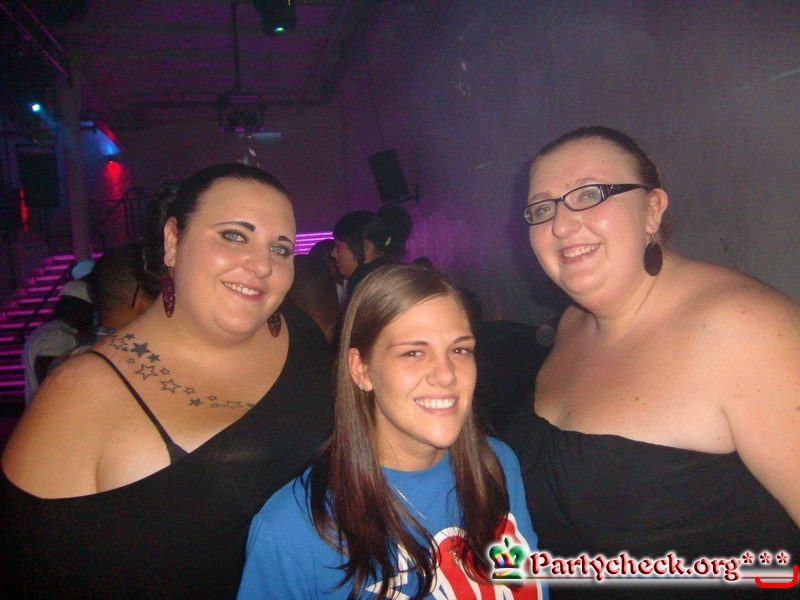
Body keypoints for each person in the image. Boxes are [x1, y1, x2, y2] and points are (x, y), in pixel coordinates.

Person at [1, 163, 333, 598]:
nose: (262, 265)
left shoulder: (300, 333)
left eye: (280, 248)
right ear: (173, 240)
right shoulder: (79, 394)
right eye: (234, 235)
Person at [504, 126, 800, 596]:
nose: (560, 225)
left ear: (652, 209)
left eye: (589, 194)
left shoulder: (743, 328)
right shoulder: (572, 323)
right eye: (542, 209)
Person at [237, 265, 545, 599]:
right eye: (413, 353)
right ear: (361, 369)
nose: (446, 375)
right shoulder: (292, 529)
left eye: (460, 350)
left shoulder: (496, 464)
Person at [20, 279, 95, 404]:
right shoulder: (57, 336)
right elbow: (52, 381)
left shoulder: (50, 331)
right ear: (81, 310)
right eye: (91, 312)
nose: (93, 318)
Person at [330, 202, 413, 303]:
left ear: (365, 246)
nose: (333, 253)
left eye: (338, 246)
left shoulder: (365, 281)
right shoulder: (396, 272)